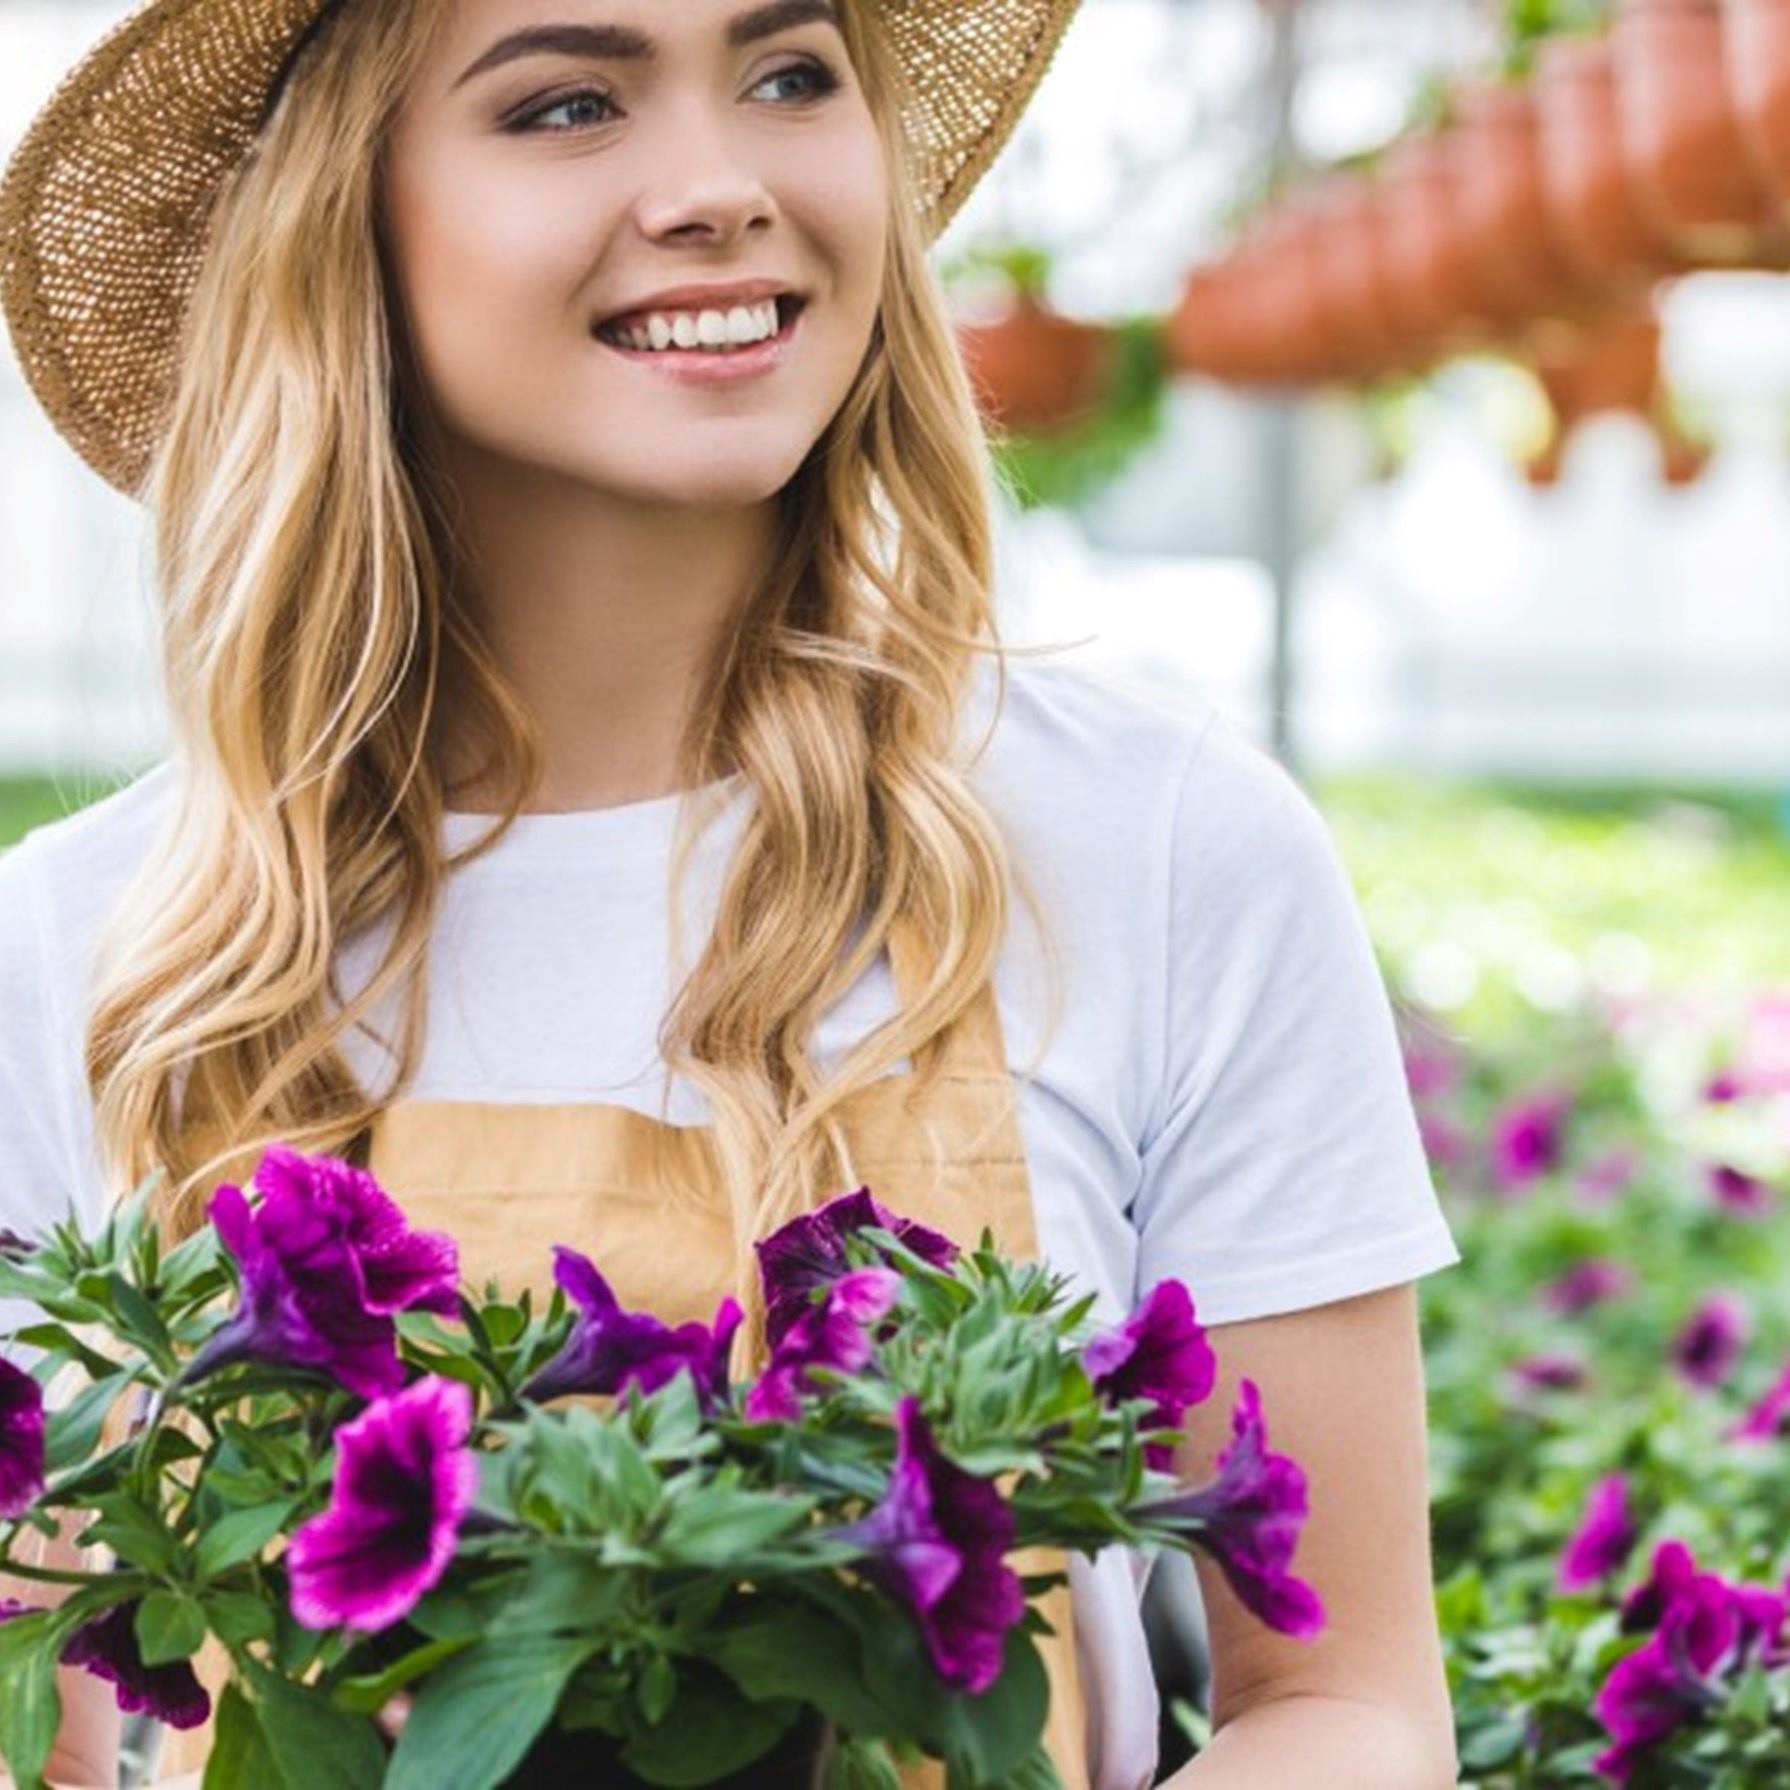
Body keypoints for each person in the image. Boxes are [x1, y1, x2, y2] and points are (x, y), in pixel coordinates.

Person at [0, 0, 1462, 1785]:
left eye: (787, 76)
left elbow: (1341, 1700)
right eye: (565, 105)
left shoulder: (1162, 847)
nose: (717, 185)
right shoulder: (82, 942)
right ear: (343, 220)